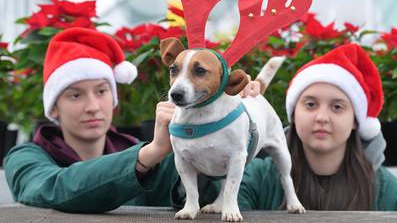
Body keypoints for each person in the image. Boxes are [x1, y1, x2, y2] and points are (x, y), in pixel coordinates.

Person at [4, 27, 258, 213]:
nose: (92, 106)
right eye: (74, 95)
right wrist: (153, 151)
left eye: (102, 91)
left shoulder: (141, 151)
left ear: (114, 98)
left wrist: (225, 116)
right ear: (53, 107)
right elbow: (55, 189)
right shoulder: (24, 158)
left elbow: (220, 188)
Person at [236, 43, 397, 211]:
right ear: (293, 114)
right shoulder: (257, 179)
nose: (322, 117)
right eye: (311, 105)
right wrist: (230, 114)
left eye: (337, 107)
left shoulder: (386, 191)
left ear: (355, 121)